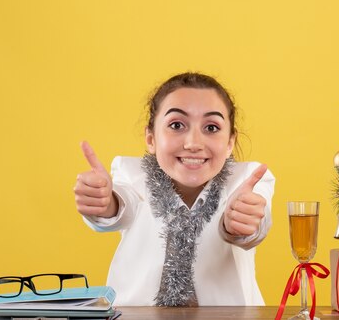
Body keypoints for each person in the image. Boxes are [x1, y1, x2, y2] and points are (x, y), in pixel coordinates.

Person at [73, 72, 275, 306]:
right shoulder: (133, 174)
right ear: (151, 139)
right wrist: (104, 202)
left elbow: (256, 224)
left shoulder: (247, 179)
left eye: (211, 128)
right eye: (176, 125)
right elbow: (121, 204)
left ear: (230, 142)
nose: (193, 143)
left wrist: (240, 223)